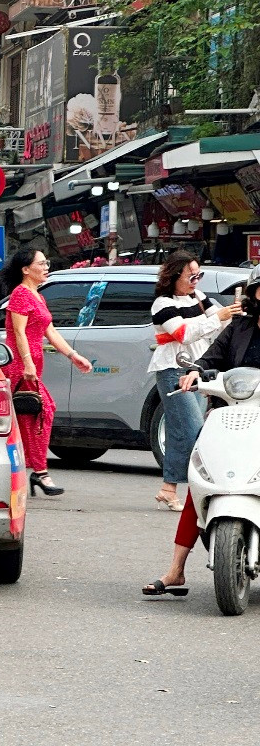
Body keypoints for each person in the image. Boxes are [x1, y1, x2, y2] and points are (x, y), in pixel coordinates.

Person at [143, 265, 259, 596]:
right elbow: (210, 358)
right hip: (231, 416)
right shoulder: (239, 326)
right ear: (252, 295)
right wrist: (197, 373)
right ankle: (176, 570)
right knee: (204, 481)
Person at [147, 250, 238, 512]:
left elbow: (222, 325)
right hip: (172, 371)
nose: (196, 280)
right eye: (191, 275)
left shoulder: (199, 297)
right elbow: (183, 333)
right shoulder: (162, 304)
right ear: (175, 275)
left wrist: (232, 314)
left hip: (196, 371)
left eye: (199, 274)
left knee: (179, 432)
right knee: (196, 432)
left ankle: (168, 489)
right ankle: (213, 489)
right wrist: (216, 318)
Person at [1, 248, 92, 496]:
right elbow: (19, 333)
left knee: (29, 417)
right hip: (21, 365)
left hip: (33, 365)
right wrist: (28, 363)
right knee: (42, 412)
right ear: (26, 269)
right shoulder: (20, 294)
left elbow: (50, 333)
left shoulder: (37, 296)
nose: (46, 266)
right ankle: (39, 472)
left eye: (46, 262)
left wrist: (74, 356)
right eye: (41, 263)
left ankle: (25, 469)